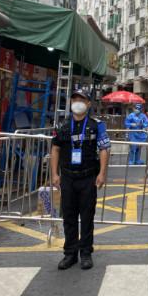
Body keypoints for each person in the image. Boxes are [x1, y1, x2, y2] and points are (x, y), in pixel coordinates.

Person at [51, 89, 111, 270]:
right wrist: (54, 174)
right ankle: (70, 253)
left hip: (88, 177)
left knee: (87, 217)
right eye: (75, 99)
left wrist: (102, 173)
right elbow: (55, 149)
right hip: (67, 177)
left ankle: (85, 253)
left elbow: (104, 149)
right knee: (69, 217)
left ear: (88, 104)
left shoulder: (97, 125)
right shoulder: (62, 125)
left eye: (82, 100)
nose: (78, 103)